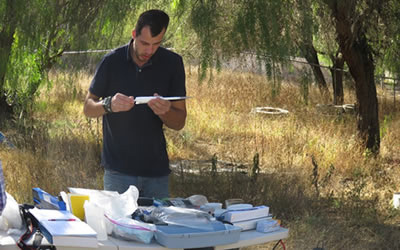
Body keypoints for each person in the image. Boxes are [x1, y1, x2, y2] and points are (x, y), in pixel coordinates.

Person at [83, 9, 186, 199]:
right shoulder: (111, 61)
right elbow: (88, 107)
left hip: (157, 174)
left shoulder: (173, 63)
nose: (149, 51)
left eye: (156, 44)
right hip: (118, 172)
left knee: (157, 228)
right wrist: (109, 105)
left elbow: (179, 121)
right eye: (144, 43)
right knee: (117, 228)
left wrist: (165, 112)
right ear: (133, 35)